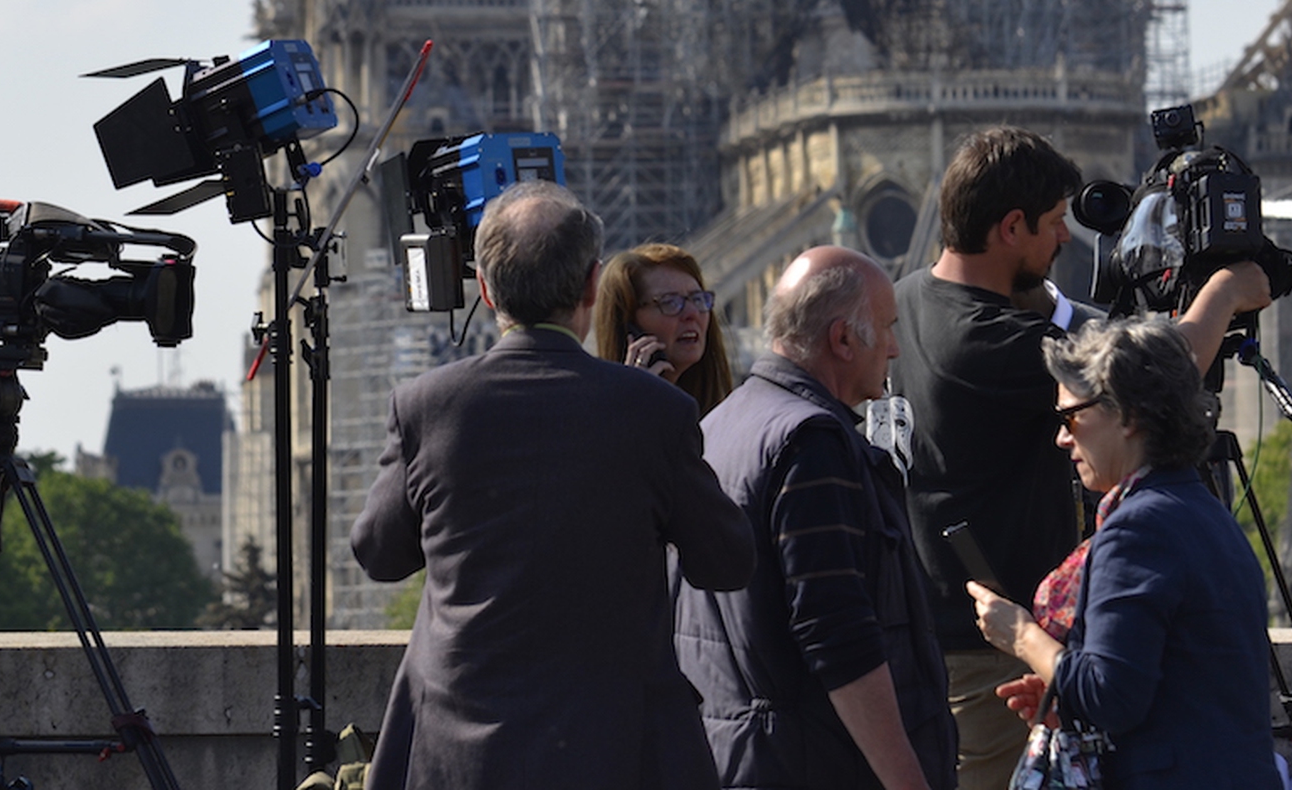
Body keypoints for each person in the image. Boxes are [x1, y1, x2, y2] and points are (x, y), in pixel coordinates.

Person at [888, 127, 1271, 790]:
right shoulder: (990, 341)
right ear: (1011, 227)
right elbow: (1165, 369)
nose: (1066, 238)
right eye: (1055, 222)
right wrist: (1225, 294)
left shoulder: (909, 300)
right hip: (995, 654)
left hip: (934, 633)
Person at [351, 180, 756, 790]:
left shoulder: (425, 405)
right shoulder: (653, 411)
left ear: (485, 290)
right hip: (617, 751)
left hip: (459, 754)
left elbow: (379, 554)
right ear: (594, 285)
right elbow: (727, 560)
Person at [674, 245, 956, 790]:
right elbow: (836, 633)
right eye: (887, 328)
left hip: (743, 757)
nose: (895, 349)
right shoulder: (810, 442)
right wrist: (907, 779)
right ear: (843, 339)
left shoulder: (721, 424)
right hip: (819, 763)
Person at [967, 316, 1280, 790]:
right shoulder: (1205, 512)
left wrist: (1024, 638)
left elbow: (1108, 696)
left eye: (1071, 416)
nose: (1062, 437)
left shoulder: (1138, 528)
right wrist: (1063, 694)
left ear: (1129, 415)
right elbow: (1178, 685)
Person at [595, 243, 737, 413]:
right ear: (629, 326)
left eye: (697, 299)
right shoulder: (603, 415)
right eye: (670, 302)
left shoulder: (724, 415)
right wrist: (635, 407)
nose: (692, 313)